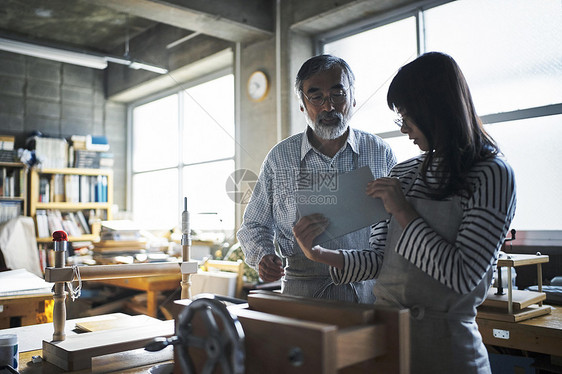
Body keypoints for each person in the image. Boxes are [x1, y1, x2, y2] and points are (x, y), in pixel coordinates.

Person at [292, 52, 516, 373]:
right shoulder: (403, 172)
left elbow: (463, 275)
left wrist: (403, 211)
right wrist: (320, 254)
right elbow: (380, 260)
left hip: (446, 346)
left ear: (434, 110)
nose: (404, 128)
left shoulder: (491, 173)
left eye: (407, 115)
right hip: (387, 340)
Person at [237, 54, 396, 303]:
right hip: (302, 294)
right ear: (302, 105)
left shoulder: (379, 152)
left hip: (369, 295)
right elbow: (254, 225)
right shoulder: (280, 158)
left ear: (353, 98)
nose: (328, 107)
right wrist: (264, 256)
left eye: (337, 94)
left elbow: (398, 225)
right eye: (316, 96)